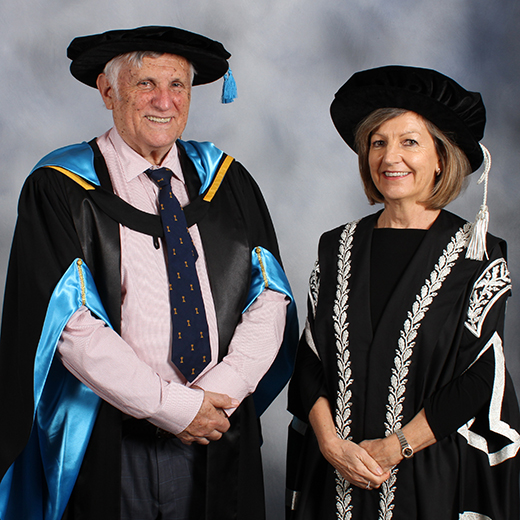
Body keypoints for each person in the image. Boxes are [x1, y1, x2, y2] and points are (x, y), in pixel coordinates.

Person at [0, 26, 298, 520]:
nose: (164, 100)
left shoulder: (227, 180)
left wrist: (217, 394)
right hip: (110, 433)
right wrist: (170, 407)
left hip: (217, 423)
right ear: (107, 91)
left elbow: (269, 296)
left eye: (177, 85)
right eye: (145, 84)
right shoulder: (60, 188)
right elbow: (69, 324)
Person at [286, 65, 520, 519]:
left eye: (409, 141)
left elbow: (481, 379)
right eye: (378, 142)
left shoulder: (480, 255)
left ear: (440, 157)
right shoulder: (337, 246)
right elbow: (310, 363)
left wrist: (397, 447)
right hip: (335, 474)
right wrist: (333, 446)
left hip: (428, 479)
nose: (390, 157)